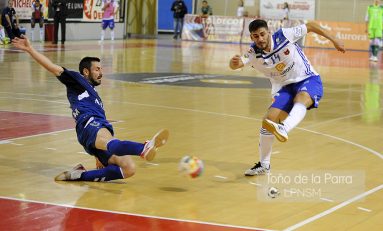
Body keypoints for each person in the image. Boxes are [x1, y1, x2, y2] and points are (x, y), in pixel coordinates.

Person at [12, 35, 170, 182]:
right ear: (86, 72)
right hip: (89, 123)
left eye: (101, 69)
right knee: (114, 144)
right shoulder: (77, 80)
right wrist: (30, 49)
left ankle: (79, 175)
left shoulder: (94, 95)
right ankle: (143, 148)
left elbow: (102, 134)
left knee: (129, 169)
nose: (101, 73)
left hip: (97, 129)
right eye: (97, 69)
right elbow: (53, 68)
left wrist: (97, 153)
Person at [229, 19, 345, 176]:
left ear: (268, 32)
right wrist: (233, 63)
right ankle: (264, 165)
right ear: (252, 38)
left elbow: (310, 26)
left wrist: (334, 39)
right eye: (256, 36)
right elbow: (236, 65)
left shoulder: (284, 35)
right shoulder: (253, 53)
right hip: (284, 88)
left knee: (301, 98)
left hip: (308, 79)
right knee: (267, 122)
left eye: (262, 34)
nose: (260, 39)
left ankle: (285, 128)